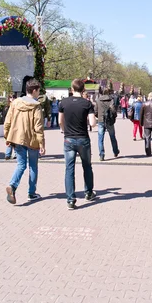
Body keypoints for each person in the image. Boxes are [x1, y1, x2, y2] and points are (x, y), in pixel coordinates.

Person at [4, 79, 46, 204]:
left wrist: (7, 136)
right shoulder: (36, 106)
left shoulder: (15, 103)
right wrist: (42, 144)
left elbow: (7, 121)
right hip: (32, 140)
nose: (39, 93)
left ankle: (12, 185)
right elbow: (38, 127)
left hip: (17, 138)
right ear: (34, 91)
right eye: (38, 91)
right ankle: (31, 193)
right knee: (33, 166)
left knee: (21, 165)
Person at [59, 79, 97, 209]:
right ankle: (89, 192)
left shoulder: (63, 102)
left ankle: (70, 199)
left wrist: (65, 130)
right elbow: (92, 123)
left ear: (71, 88)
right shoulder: (87, 104)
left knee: (69, 169)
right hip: (83, 139)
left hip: (68, 139)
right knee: (87, 166)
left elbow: (60, 121)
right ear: (83, 89)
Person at [96, 87, 120, 161]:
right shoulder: (111, 100)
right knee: (112, 136)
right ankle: (115, 151)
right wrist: (114, 117)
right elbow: (113, 109)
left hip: (101, 120)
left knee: (100, 139)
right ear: (108, 93)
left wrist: (98, 116)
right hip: (109, 120)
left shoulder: (98, 100)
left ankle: (101, 154)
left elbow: (95, 111)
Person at [4, 94, 16, 160]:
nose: (13, 98)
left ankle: (9, 154)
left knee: (13, 141)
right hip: (10, 125)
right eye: (11, 97)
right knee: (10, 140)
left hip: (15, 125)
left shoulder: (17, 106)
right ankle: (8, 154)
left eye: (14, 97)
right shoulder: (7, 107)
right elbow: (6, 117)